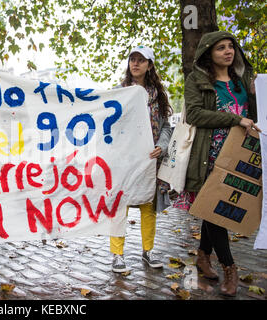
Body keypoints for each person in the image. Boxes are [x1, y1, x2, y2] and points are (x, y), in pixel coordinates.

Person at [173, 31, 259, 297]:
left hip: (240, 153)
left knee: (212, 208)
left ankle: (203, 255)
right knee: (214, 209)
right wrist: (235, 120)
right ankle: (229, 267)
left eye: (231, 46)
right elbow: (196, 114)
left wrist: (255, 94)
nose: (228, 51)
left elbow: (254, 115)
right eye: (221, 47)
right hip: (209, 154)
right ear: (209, 53)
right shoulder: (196, 79)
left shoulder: (243, 79)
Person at [111, 46, 173, 273]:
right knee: (120, 205)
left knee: (148, 205)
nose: (135, 63)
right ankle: (117, 254)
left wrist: (162, 146)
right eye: (132, 59)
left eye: (141, 60)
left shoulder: (158, 94)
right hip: (124, 160)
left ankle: (148, 250)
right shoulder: (118, 92)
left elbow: (166, 126)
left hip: (150, 159)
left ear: (149, 65)